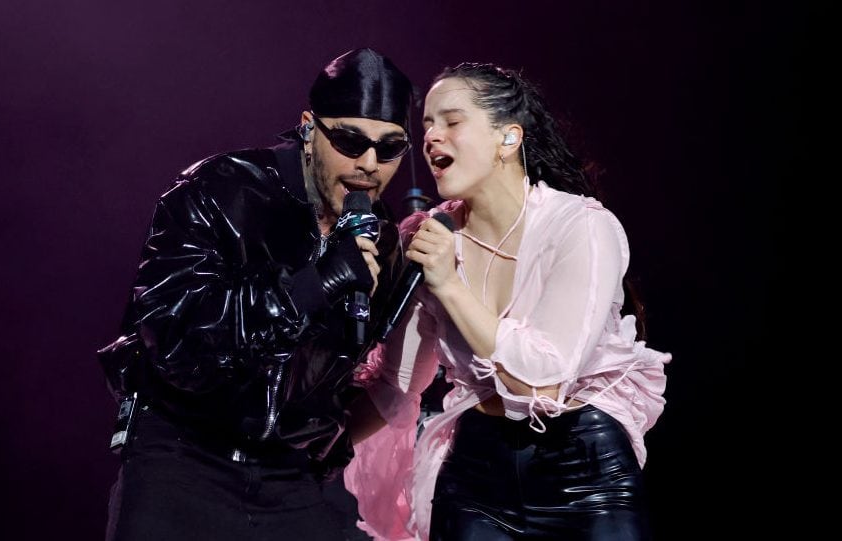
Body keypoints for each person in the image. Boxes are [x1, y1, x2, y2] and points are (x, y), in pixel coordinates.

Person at [344, 63, 672, 540]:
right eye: (427, 125)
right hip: (476, 473)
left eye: (452, 121)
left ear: (508, 138)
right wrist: (307, 454)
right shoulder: (427, 236)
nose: (431, 137)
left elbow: (544, 380)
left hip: (582, 467)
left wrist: (450, 286)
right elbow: (397, 385)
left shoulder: (580, 227)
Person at [98, 48, 414, 540]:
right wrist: (313, 285)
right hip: (185, 462)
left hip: (292, 479)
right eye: (350, 141)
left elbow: (353, 374)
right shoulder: (219, 190)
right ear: (310, 127)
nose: (369, 164)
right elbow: (177, 343)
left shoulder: (383, 239)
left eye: (389, 148)